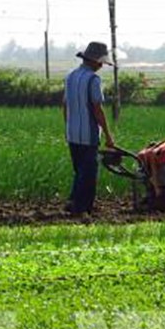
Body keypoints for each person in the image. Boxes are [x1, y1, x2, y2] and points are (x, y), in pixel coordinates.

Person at [62, 41, 116, 216]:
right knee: (89, 175)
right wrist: (108, 135)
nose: (101, 66)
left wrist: (68, 127)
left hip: (72, 134)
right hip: (88, 135)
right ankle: (82, 208)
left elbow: (65, 106)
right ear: (93, 61)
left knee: (80, 171)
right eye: (101, 62)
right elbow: (97, 109)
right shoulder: (93, 79)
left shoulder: (70, 76)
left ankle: (73, 201)